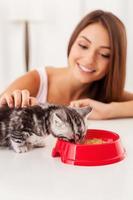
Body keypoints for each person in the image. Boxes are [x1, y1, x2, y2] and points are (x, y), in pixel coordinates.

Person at [0, 9, 133, 120]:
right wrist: (8, 105)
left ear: (114, 63)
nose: (89, 60)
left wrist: (109, 110)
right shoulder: (37, 80)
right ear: (72, 42)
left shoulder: (105, 91)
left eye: (104, 54)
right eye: (83, 45)